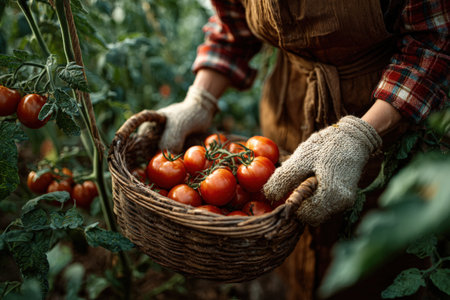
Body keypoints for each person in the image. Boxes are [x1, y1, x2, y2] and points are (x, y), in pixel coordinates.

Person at [140, 0, 449, 299]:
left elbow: (434, 41)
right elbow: (233, 23)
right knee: (284, 229)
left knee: (367, 259)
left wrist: (362, 134)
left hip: (384, 112)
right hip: (287, 106)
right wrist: (200, 99)